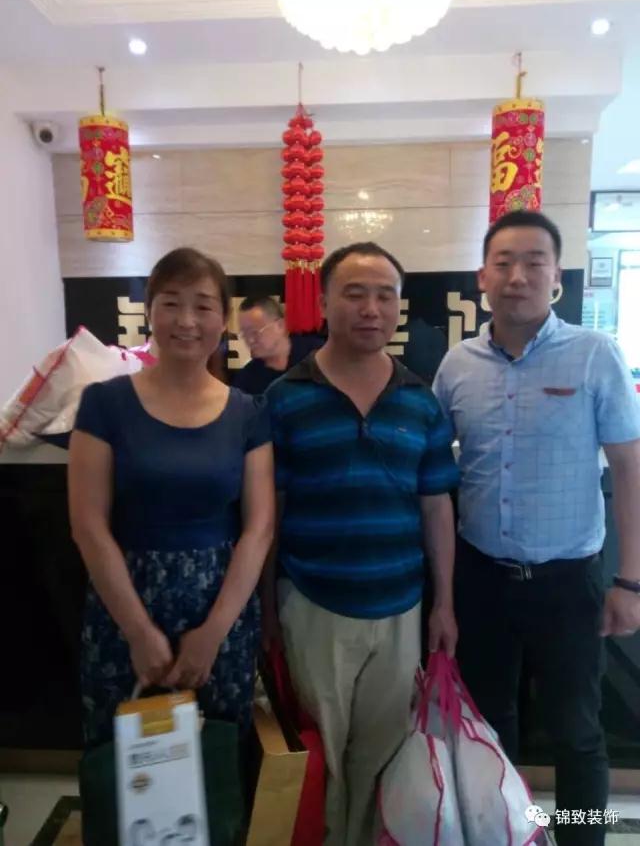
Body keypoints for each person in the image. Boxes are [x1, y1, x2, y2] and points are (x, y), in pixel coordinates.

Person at [432, 210, 640, 846]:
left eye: (534, 262)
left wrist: (630, 581)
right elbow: (434, 472)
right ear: (482, 277)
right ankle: (504, 834)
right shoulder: (457, 365)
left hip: (568, 582)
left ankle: (580, 835)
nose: (517, 276)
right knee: (490, 729)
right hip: (481, 579)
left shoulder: (594, 354)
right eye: (503, 263)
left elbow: (630, 467)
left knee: (578, 733)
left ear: (556, 277)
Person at [264, 242, 459, 846]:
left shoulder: (420, 399)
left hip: (400, 607)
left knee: (382, 758)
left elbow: (436, 506)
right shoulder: (285, 398)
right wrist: (265, 607)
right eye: (354, 293)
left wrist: (444, 603)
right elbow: (269, 512)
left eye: (385, 295)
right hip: (313, 603)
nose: (371, 308)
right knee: (320, 755)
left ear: (399, 307)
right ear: (323, 303)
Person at [68, 247, 275, 747]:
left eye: (203, 306)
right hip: (125, 604)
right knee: (126, 757)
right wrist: (138, 631)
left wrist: (214, 633)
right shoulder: (104, 404)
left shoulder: (248, 413)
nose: (186, 321)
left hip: (219, 609)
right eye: (171, 303)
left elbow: (259, 528)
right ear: (150, 312)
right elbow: (88, 525)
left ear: (222, 320)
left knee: (217, 755)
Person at [234, 295, 324, 394]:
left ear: (280, 326)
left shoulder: (319, 354)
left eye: (255, 332)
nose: (250, 340)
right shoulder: (247, 379)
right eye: (245, 334)